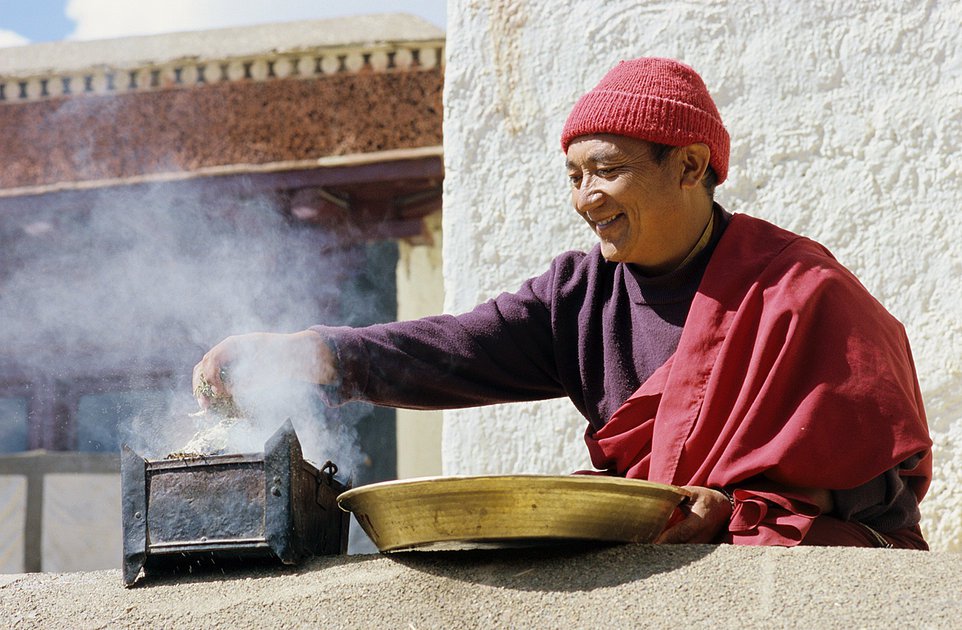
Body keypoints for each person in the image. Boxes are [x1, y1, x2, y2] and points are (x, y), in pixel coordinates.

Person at [194, 57, 932, 549]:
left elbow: (880, 484)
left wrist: (748, 510)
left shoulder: (803, 292)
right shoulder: (581, 297)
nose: (586, 200)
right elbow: (461, 346)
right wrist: (322, 354)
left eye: (606, 171)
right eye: (573, 176)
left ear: (690, 166)